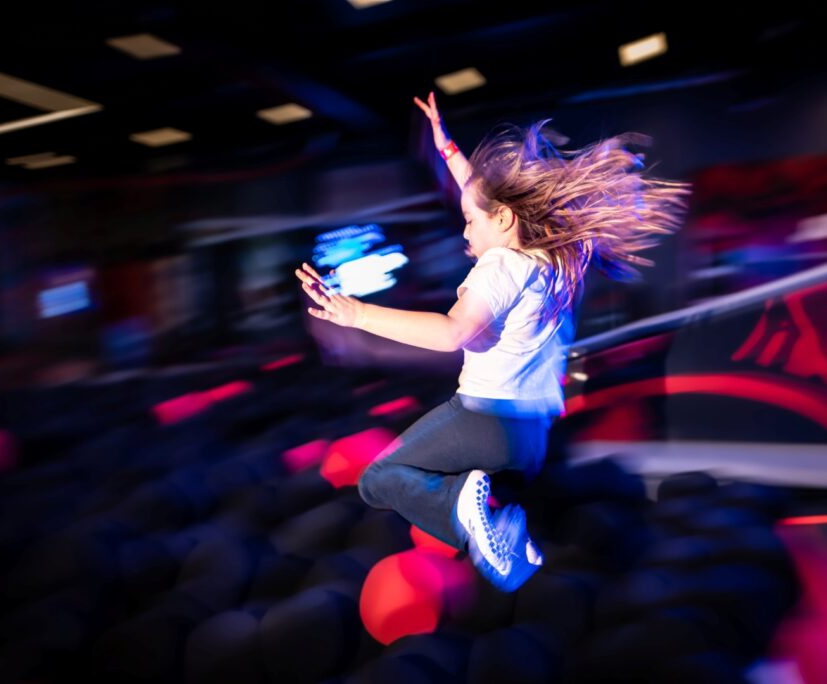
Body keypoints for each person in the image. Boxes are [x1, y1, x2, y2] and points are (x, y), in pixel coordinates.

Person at [294, 91, 689, 592]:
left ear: (503, 221)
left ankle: (464, 508)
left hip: (487, 419)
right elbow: (485, 198)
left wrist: (358, 313)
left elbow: (453, 332)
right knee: (493, 529)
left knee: (378, 479)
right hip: (533, 434)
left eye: (470, 222)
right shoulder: (557, 258)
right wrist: (448, 151)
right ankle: (506, 528)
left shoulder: (500, 266)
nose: (466, 233)